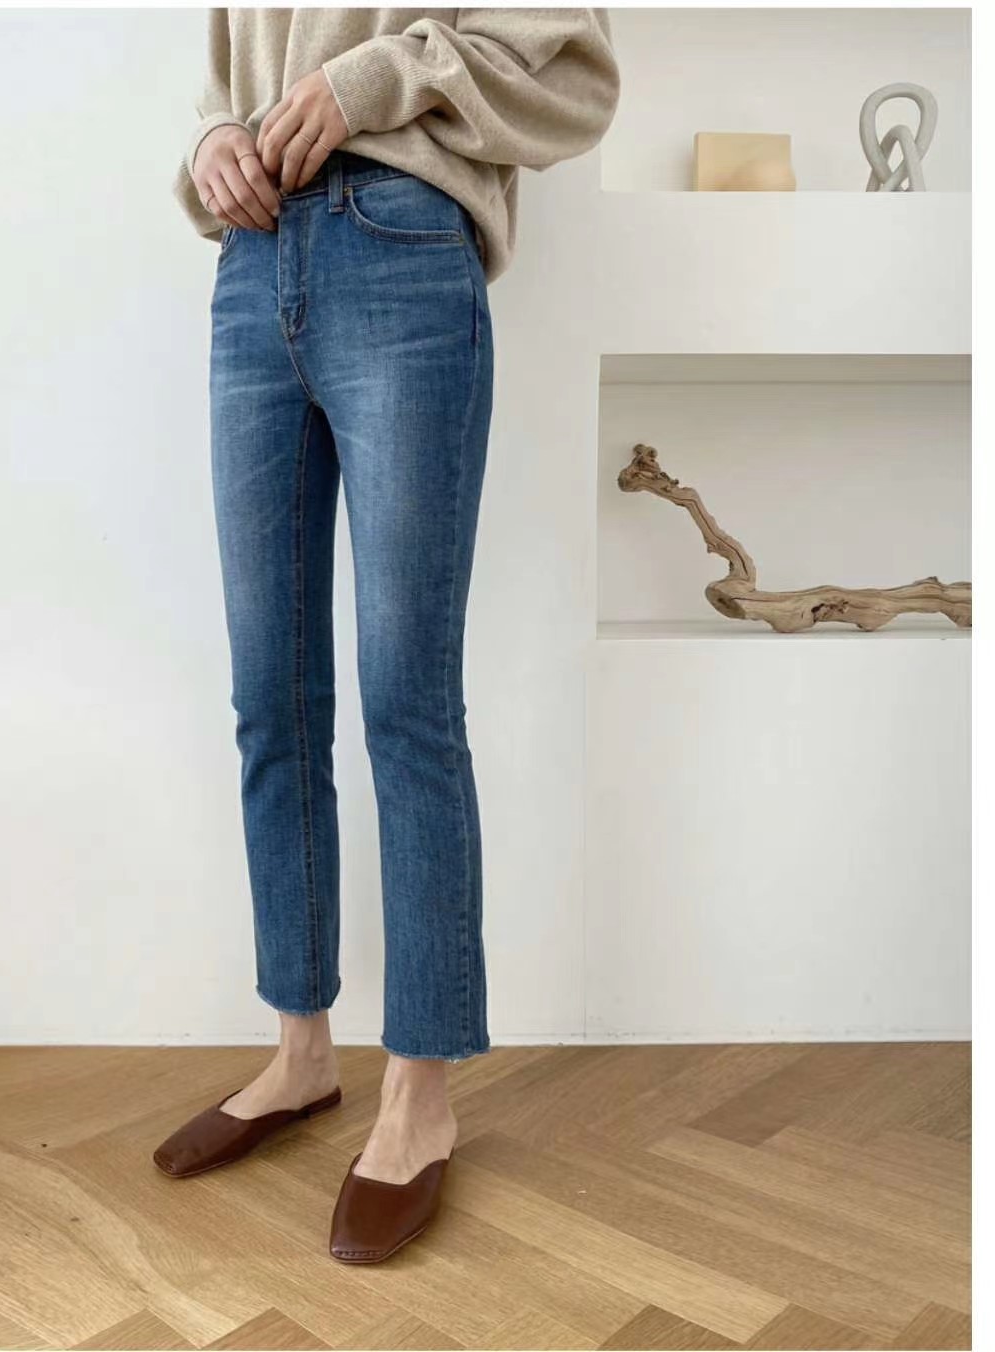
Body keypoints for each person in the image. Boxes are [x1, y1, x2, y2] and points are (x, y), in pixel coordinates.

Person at [154, 7, 620, 1263]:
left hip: (402, 248)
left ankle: (421, 1090)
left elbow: (578, 72)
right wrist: (213, 148)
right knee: (270, 695)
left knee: (406, 700)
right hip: (251, 271)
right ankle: (301, 1051)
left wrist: (373, 81)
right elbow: (225, 81)